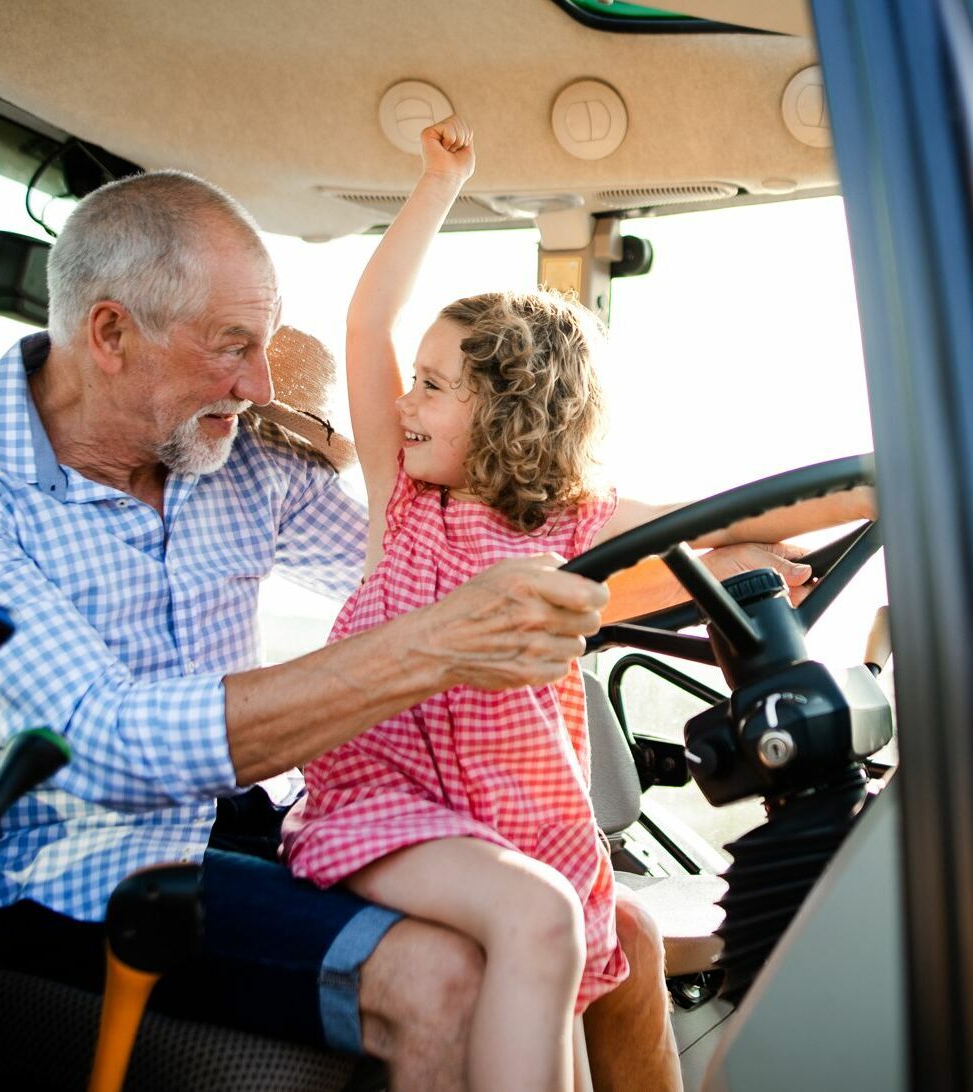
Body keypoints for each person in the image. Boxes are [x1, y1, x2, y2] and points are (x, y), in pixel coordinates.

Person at [281, 117, 875, 1092]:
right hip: (385, 809)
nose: (402, 403)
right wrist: (438, 185)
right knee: (543, 918)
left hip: (512, 826)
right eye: (414, 382)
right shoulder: (403, 500)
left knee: (567, 929)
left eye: (432, 388)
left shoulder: (570, 531)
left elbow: (745, 513)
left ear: (509, 414)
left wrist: (883, 487)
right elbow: (366, 327)